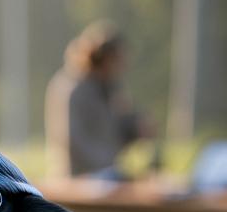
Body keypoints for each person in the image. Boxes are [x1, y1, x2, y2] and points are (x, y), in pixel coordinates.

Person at [45, 21, 152, 180]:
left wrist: (136, 129)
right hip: (78, 178)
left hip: (106, 174)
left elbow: (114, 134)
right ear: (106, 59)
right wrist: (110, 164)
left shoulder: (107, 88)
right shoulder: (71, 88)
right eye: (119, 61)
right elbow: (74, 142)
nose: (122, 69)